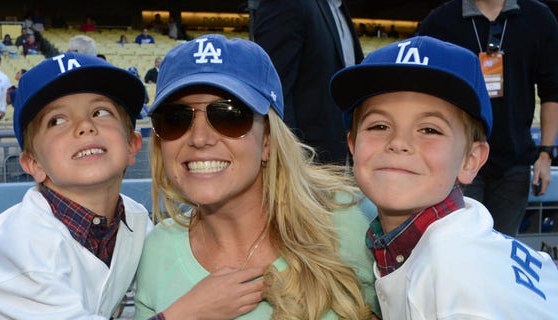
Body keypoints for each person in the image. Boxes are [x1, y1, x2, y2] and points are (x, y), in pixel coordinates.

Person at [134, 34, 379, 319]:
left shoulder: (353, 220)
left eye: (228, 115)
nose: (199, 138)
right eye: (175, 118)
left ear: (268, 141)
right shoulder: (155, 252)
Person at [331, 35, 558, 319]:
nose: (399, 142)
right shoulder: (463, 229)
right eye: (379, 125)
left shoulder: (454, 274)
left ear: (470, 159)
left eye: (429, 130)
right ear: (352, 144)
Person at [0, 52, 151, 318]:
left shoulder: (136, 219)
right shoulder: (21, 247)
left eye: (100, 111)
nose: (85, 126)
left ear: (132, 145)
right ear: (34, 164)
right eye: (57, 120)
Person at [417, 0, 558, 236]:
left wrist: (545, 153)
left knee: (502, 250)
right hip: (458, 162)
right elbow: (422, 92)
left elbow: (552, 91)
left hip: (513, 164)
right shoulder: (441, 21)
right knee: (457, 246)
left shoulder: (538, 19)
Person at [253, 0, 364, 165]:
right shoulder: (288, 4)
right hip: (304, 162)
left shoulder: (337, 8)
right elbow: (274, 92)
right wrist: (291, 163)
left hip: (336, 156)